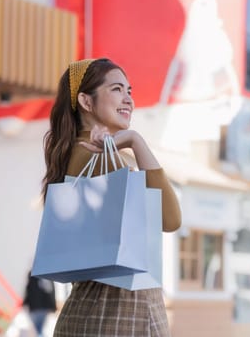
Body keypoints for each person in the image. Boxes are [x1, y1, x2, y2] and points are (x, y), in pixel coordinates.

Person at [42, 58, 182, 336]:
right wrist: (135, 141)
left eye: (130, 91)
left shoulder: (73, 155)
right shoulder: (103, 160)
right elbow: (170, 218)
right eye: (117, 89)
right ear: (86, 100)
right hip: (121, 313)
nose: (128, 99)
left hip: (87, 310)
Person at [23, 272, 57, 336]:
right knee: (39, 329)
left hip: (37, 306)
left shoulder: (33, 273)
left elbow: (29, 290)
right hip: (44, 306)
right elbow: (51, 290)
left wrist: (24, 303)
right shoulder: (48, 273)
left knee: (38, 329)